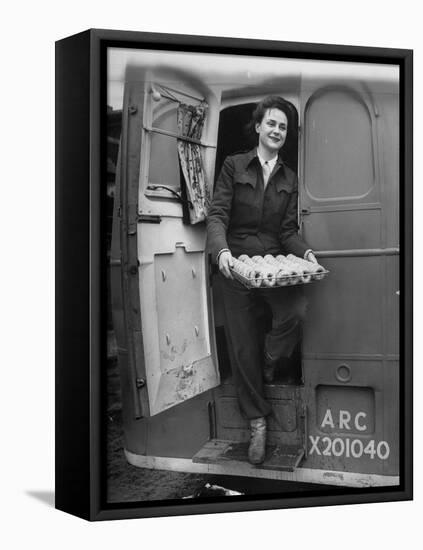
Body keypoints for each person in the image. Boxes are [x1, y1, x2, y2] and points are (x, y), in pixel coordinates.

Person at [206, 96, 317, 465]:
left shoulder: (289, 177)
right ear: (258, 127)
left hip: (273, 262)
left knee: (296, 311)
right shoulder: (234, 165)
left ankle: (271, 359)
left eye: (283, 127)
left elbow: (287, 231)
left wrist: (305, 253)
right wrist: (221, 252)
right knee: (241, 345)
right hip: (235, 264)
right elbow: (217, 215)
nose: (277, 131)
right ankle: (257, 422)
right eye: (271, 124)